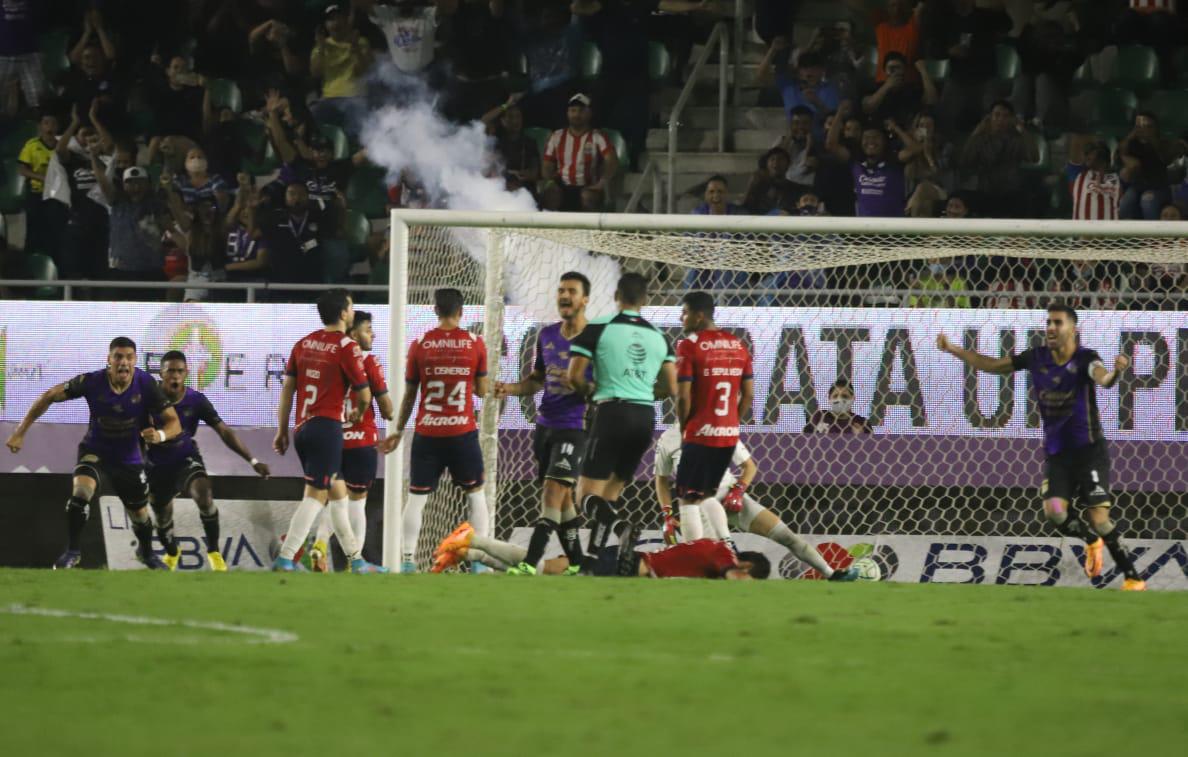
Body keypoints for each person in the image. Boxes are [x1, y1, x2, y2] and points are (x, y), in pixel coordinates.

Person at [937, 303, 1146, 590]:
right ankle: (1090, 540)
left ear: (1072, 329)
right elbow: (993, 366)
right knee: (1055, 511)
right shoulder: (1036, 357)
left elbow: (1103, 377)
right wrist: (954, 349)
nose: (1050, 328)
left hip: (1089, 453)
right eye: (1048, 322)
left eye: (1058, 322)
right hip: (1058, 455)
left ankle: (1133, 578)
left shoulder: (1086, 358)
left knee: (1100, 519)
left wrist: (1115, 373)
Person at [5, 337, 182, 569]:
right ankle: (72, 552)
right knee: (81, 493)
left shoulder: (146, 383)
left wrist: (159, 435)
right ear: (109, 360)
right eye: (118, 357)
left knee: (140, 515)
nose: (123, 362)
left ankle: (147, 553)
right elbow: (49, 395)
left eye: (129, 357)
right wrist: (20, 432)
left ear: (135, 361)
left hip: (129, 458)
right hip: (96, 450)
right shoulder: (92, 381)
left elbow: (174, 423)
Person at [566, 272, 678, 564]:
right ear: (645, 300)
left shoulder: (599, 327)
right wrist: (644, 392)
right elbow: (671, 386)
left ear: (616, 296)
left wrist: (589, 392)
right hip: (644, 417)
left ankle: (620, 527)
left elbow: (574, 376)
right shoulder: (659, 336)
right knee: (611, 492)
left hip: (612, 412)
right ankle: (593, 558)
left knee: (585, 496)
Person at [653, 423, 858, 581]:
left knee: (787, 536)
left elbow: (749, 466)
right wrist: (667, 515)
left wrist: (738, 491)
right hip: (699, 508)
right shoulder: (669, 438)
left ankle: (832, 574)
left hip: (731, 495)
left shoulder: (720, 426)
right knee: (708, 567)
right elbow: (661, 480)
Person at [377, 288, 490, 574]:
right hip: (462, 432)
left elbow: (410, 395)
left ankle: (407, 560)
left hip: (428, 433)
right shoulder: (475, 343)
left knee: (417, 499)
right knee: (476, 494)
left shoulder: (420, 344)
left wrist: (398, 430)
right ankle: (478, 562)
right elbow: (481, 391)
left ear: (435, 310)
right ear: (461, 311)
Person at [272, 289, 384, 573]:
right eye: (351, 307)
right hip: (327, 428)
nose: (353, 311)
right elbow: (364, 393)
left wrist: (282, 430)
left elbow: (287, 390)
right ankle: (286, 556)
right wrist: (359, 410)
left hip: (302, 428)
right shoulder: (347, 346)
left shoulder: (303, 343)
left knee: (338, 498)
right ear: (344, 313)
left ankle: (356, 560)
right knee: (315, 496)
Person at [494, 272, 592, 575]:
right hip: (544, 426)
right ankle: (578, 563)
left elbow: (604, 386)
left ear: (585, 300)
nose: (564, 295)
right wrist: (510, 388)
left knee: (552, 492)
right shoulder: (547, 335)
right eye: (561, 290)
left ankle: (529, 562)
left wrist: (580, 385)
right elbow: (536, 380)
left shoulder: (596, 338)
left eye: (571, 291)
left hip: (575, 427)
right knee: (563, 502)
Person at [148, 351, 272, 571]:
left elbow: (224, 432)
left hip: (185, 458)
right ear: (161, 373)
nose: (175, 376)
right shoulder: (147, 398)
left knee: (203, 494)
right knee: (162, 517)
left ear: (186, 373)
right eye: (170, 371)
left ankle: (214, 552)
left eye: (179, 371)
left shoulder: (196, 400)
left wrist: (252, 461)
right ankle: (172, 552)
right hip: (155, 464)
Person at [309, 310, 394, 572]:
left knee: (336, 499)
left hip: (331, 440)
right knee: (357, 501)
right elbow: (386, 409)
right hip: (360, 441)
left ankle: (320, 542)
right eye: (368, 330)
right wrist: (390, 412)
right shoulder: (368, 362)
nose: (373, 335)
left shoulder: (326, 360)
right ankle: (354, 563)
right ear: (354, 334)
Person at [671, 291, 753, 545]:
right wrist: (732, 422)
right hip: (727, 436)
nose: (681, 318)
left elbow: (683, 396)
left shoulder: (689, 345)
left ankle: (693, 555)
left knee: (687, 498)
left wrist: (685, 428)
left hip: (700, 433)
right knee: (707, 495)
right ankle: (726, 545)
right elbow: (749, 394)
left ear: (699, 316)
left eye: (685, 312)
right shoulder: (738, 344)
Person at [433, 522, 770, 580]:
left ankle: (469, 554)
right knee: (544, 570)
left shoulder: (714, 548)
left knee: (540, 574)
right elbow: (731, 577)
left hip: (624, 562)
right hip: (621, 564)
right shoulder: (724, 556)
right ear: (745, 567)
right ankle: (473, 539)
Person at [825, 101, 917, 217]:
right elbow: (831, 145)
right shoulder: (856, 161)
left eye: (876, 137)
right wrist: (840, 113)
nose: (871, 141)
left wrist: (895, 128)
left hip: (893, 226)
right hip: (864, 226)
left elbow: (915, 149)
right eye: (867, 138)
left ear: (884, 141)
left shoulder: (894, 160)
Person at [92, 161, 167, 299]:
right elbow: (103, 183)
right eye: (130, 183)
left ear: (148, 184)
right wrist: (93, 157)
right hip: (120, 270)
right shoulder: (116, 204)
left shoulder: (157, 206)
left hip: (151, 270)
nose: (136, 187)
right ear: (123, 185)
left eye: (140, 182)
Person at [959, 100, 1038, 218]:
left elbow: (1034, 157)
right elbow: (965, 160)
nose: (1000, 119)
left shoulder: (1017, 139)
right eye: (997, 115)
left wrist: (1022, 130)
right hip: (985, 191)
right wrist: (977, 131)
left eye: (1005, 116)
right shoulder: (981, 139)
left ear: (1011, 119)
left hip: (1011, 192)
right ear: (990, 117)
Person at [539, 93, 619, 212]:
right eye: (573, 111)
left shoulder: (598, 136)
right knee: (549, 195)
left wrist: (601, 183)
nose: (576, 115)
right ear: (567, 113)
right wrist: (550, 181)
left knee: (588, 197)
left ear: (589, 113)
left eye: (581, 111)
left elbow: (612, 161)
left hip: (589, 186)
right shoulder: (557, 136)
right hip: (562, 186)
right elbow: (546, 165)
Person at [310, 4, 373, 128]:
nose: (335, 23)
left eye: (339, 18)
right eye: (331, 20)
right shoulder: (320, 47)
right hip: (329, 98)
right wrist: (321, 48)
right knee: (313, 113)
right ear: (326, 25)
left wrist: (356, 48)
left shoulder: (361, 42)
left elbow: (364, 72)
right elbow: (315, 73)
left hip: (355, 96)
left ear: (346, 20)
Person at [17, 112, 63, 259]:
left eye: (53, 123)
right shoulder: (32, 145)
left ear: (58, 127)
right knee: (33, 233)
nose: (50, 127)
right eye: (46, 123)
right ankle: (29, 263)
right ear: (40, 126)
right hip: (36, 193)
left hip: (56, 195)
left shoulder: (62, 146)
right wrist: (43, 178)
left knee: (54, 233)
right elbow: (23, 170)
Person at [1066, 137, 1122, 221]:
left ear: (1103, 156)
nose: (1087, 156)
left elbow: (1133, 166)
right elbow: (1076, 143)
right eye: (1087, 153)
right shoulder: (1078, 175)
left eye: (1091, 152)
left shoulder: (1117, 178)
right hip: (1081, 229)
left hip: (1108, 229)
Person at [803, 379, 873, 434]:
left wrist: (861, 437)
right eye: (835, 396)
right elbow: (804, 441)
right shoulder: (819, 417)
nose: (839, 399)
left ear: (853, 399)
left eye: (845, 396)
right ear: (829, 399)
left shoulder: (862, 423)